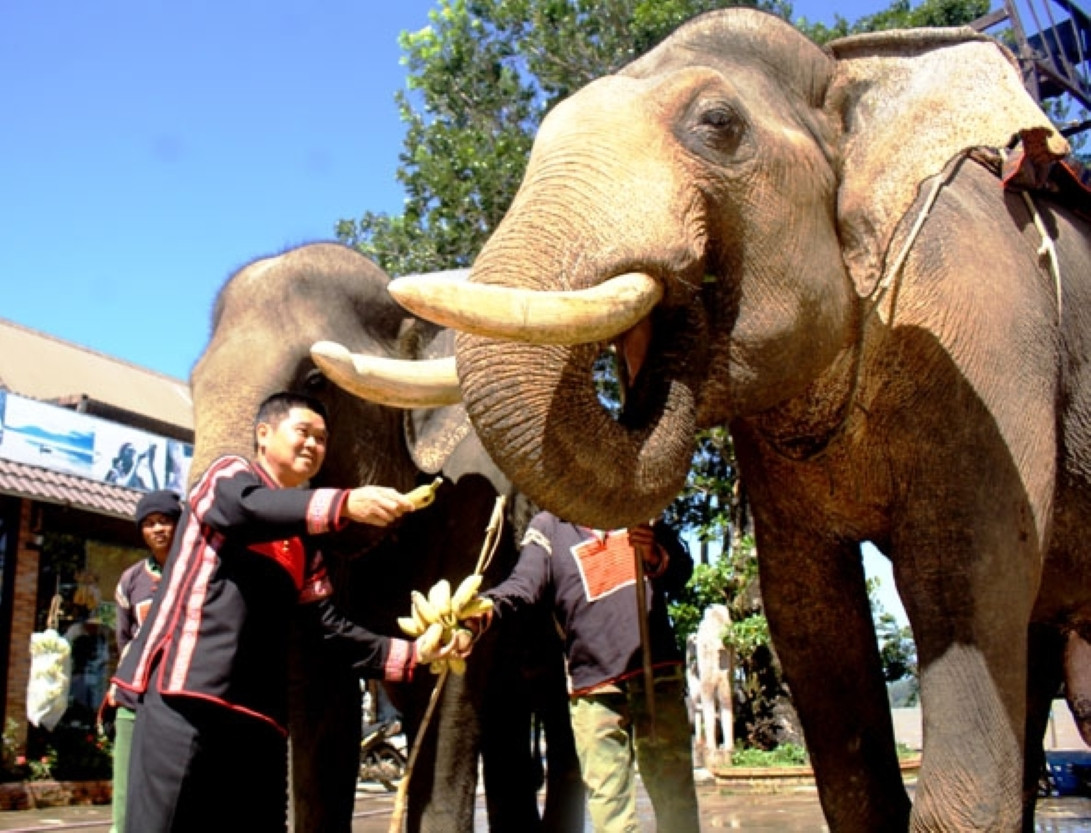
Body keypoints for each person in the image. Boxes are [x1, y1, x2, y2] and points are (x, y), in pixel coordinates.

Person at [111, 391, 466, 832]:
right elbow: (244, 509)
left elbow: (328, 632)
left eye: (322, 438)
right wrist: (344, 504)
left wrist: (416, 655)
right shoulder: (227, 476)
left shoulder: (302, 544)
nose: (314, 445)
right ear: (263, 435)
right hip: (187, 700)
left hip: (260, 721)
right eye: (304, 432)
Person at [475, 511, 701, 833]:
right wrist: (486, 609)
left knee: (675, 798)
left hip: (657, 677)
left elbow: (680, 572)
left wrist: (653, 554)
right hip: (594, 689)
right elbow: (523, 586)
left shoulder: (639, 510)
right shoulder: (548, 527)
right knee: (609, 807)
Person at [103, 489, 182, 833]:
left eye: (165, 520)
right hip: (134, 697)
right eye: (149, 524)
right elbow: (125, 639)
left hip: (178, 698)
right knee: (125, 800)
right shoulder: (130, 580)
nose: (158, 529)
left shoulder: (192, 574)